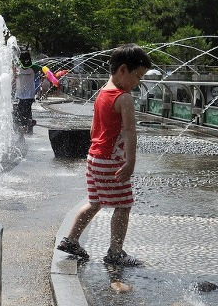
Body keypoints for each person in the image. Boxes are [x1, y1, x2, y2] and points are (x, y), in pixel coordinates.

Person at [56, 44, 152, 266]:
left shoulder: (101, 93)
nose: (138, 83)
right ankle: (115, 252)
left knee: (94, 202)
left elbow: (93, 130)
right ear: (123, 70)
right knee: (123, 205)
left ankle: (71, 240)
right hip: (111, 160)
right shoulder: (123, 98)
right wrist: (130, 161)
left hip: (94, 158)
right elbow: (130, 132)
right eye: (138, 77)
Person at [13, 51, 43, 135]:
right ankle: (29, 126)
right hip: (21, 95)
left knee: (23, 113)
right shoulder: (18, 66)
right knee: (22, 112)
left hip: (28, 95)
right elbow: (14, 77)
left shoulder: (33, 67)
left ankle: (25, 129)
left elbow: (44, 70)